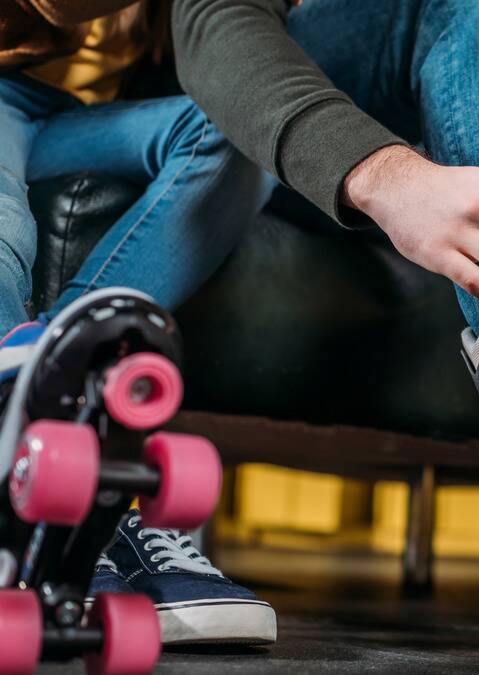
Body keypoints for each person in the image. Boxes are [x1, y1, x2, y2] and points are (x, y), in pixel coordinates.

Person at [0, 0, 276, 644]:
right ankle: (29, 455)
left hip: (92, 117)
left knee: (244, 127)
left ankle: (56, 395)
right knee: (4, 220)